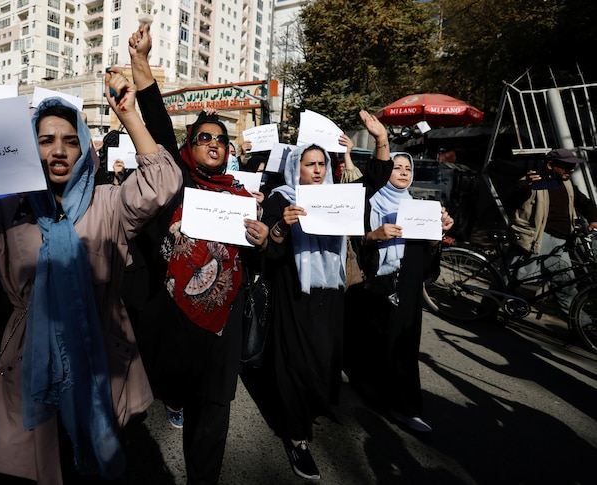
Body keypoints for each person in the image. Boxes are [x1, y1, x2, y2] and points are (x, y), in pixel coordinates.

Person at [0, 72, 182, 482]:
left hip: (102, 357)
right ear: (30, 149)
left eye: (69, 139)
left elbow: (162, 182)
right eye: (45, 141)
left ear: (84, 148)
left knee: (91, 468)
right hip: (29, 364)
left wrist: (129, 114)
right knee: (40, 466)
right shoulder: (10, 212)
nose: (58, 151)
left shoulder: (109, 202)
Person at [128, 23, 269, 484]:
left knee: (211, 423)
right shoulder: (176, 181)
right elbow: (158, 124)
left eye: (221, 140)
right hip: (171, 320)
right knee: (149, 409)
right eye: (204, 137)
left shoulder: (241, 196)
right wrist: (142, 62)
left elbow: (256, 263)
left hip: (222, 329)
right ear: (189, 148)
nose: (214, 143)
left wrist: (263, 240)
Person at [344, 110, 454, 434]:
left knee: (404, 344)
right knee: (371, 340)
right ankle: (370, 390)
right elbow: (352, 237)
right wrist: (374, 236)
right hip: (373, 282)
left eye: (408, 167)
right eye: (397, 166)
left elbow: (427, 255)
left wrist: (437, 236)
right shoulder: (369, 200)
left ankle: (407, 407)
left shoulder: (419, 206)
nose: (403, 171)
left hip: (404, 284)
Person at [257, 143, 350, 480]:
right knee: (293, 362)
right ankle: (296, 438)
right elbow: (269, 248)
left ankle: (311, 408)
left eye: (321, 164)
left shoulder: (335, 196)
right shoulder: (281, 198)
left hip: (328, 293)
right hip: (294, 292)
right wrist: (282, 225)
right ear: (295, 166)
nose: (316, 170)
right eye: (309, 164)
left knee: (322, 358)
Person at [507, 148, 597, 319]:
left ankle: (582, 326)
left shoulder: (566, 183)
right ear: (550, 165)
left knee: (566, 286)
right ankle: (488, 311)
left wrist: (594, 219)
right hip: (536, 240)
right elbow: (513, 201)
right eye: (567, 166)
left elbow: (585, 203)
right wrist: (526, 186)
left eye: (573, 166)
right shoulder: (536, 181)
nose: (572, 170)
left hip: (560, 244)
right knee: (514, 280)